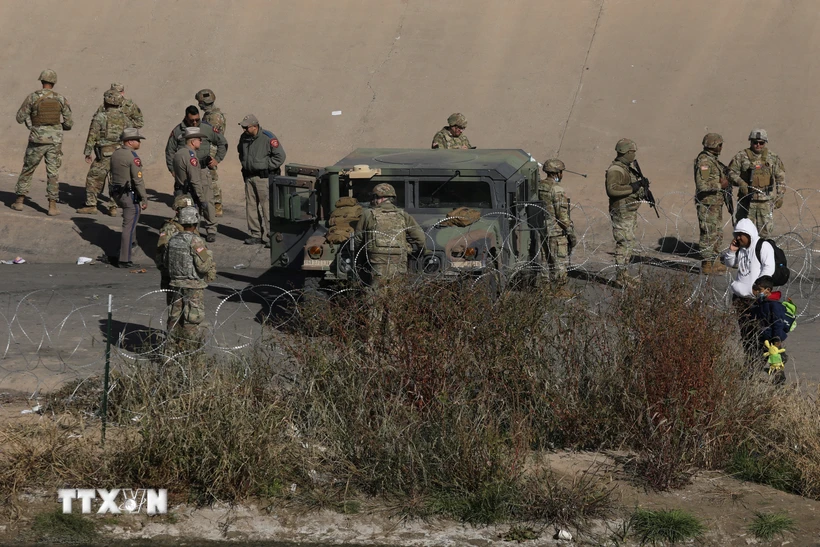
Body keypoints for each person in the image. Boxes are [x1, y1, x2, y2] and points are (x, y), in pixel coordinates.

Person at [11, 69, 73, 216]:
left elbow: (20, 117)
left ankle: (19, 201)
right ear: (54, 82)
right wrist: (58, 128)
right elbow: (69, 123)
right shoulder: (61, 98)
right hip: (55, 141)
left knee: (28, 169)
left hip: (37, 139)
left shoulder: (32, 97)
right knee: (53, 173)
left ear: (41, 81)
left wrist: (31, 125)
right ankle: (52, 206)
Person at [354, 183, 426, 287]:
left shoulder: (368, 214)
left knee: (377, 292)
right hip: (399, 259)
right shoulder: (403, 215)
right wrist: (421, 252)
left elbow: (358, 239)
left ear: (378, 198)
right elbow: (421, 238)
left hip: (377, 260)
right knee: (397, 292)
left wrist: (360, 257)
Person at [165, 206, 216, 349]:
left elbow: (165, 262)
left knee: (174, 318)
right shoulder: (196, 241)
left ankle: (172, 349)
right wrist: (209, 256)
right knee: (192, 320)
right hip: (193, 287)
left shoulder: (172, 240)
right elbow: (203, 266)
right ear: (195, 222)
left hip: (176, 284)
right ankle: (190, 350)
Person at [694, 133, 743, 274]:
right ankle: (707, 264)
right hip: (707, 204)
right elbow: (702, 185)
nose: (721, 147)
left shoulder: (712, 160)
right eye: (720, 145)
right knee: (708, 233)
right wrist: (720, 184)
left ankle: (714, 261)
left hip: (715, 203)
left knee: (716, 233)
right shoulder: (705, 162)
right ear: (714, 145)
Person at [77, 89, 131, 216]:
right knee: (116, 180)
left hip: (104, 154)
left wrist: (87, 151)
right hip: (120, 154)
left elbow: (92, 134)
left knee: (93, 178)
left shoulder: (101, 116)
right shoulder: (125, 118)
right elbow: (129, 137)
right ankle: (113, 207)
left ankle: (91, 205)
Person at [237, 114, 286, 247]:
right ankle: (255, 234)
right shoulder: (244, 138)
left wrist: (265, 166)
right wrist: (246, 164)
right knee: (251, 206)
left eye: (246, 127)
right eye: (243, 127)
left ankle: (271, 236)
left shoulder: (267, 137)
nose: (244, 130)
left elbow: (280, 157)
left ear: (255, 126)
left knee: (267, 207)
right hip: (249, 177)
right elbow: (240, 152)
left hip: (263, 178)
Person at [728, 129, 786, 238]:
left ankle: (762, 252)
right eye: (755, 142)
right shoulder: (741, 156)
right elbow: (731, 172)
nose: (758, 145)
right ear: (751, 142)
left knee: (765, 232)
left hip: (765, 201)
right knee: (744, 231)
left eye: (761, 143)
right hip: (746, 200)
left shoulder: (773, 157)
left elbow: (780, 177)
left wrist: (780, 195)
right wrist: (741, 183)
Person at [165, 105, 228, 199]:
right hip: (184, 172)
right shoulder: (178, 131)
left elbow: (223, 143)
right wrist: (172, 169)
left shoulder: (207, 128)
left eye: (197, 120)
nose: (194, 123)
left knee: (206, 200)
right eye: (191, 120)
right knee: (184, 200)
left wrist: (217, 159)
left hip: (202, 169)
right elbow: (170, 150)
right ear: (186, 118)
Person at [605, 138, 644, 287]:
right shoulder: (616, 170)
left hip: (629, 210)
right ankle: (620, 277)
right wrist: (633, 188)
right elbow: (612, 189)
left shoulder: (627, 168)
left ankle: (624, 274)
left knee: (628, 242)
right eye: (632, 152)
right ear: (626, 152)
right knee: (623, 243)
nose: (634, 155)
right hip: (621, 211)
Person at [109, 128, 148, 268]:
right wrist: (144, 198)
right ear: (130, 141)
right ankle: (124, 258)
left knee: (129, 223)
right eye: (137, 140)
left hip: (117, 193)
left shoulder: (116, 154)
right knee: (129, 226)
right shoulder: (132, 157)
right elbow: (138, 180)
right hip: (129, 194)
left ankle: (131, 243)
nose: (139, 142)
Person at [538, 158, 577, 295]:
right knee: (559, 260)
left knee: (545, 258)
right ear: (557, 173)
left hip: (541, 228)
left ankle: (545, 287)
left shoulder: (540, 186)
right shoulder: (557, 189)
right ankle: (560, 288)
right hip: (555, 230)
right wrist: (570, 232)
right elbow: (561, 215)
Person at [173, 126, 217, 242]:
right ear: (193, 141)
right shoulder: (191, 157)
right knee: (193, 226)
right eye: (199, 139)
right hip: (190, 194)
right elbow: (195, 181)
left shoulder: (179, 153)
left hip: (180, 191)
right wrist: (202, 200)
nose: (201, 142)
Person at [721, 218, 776, 300]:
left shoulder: (763, 246)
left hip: (754, 298)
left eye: (740, 235)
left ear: (749, 234)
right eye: (736, 235)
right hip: (738, 296)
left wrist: (759, 288)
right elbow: (729, 263)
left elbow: (769, 268)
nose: (738, 238)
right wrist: (732, 251)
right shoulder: (741, 248)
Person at [156, 194, 195, 305]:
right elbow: (161, 251)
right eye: (185, 210)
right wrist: (165, 273)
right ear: (177, 211)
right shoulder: (170, 228)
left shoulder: (191, 225)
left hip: (191, 276)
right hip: (175, 277)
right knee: (176, 310)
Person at [750, 275, 789, 383]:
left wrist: (776, 340)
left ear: (768, 290)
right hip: (764, 337)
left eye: (759, 290)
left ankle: (779, 382)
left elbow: (778, 323)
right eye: (755, 289)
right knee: (759, 359)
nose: (757, 292)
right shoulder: (761, 303)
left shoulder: (774, 305)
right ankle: (751, 377)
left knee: (775, 361)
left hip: (773, 338)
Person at [196, 89, 226, 217]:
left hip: (211, 150)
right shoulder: (209, 115)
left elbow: (212, 136)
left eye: (200, 102)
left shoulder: (215, 117)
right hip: (207, 148)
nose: (199, 104)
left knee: (211, 178)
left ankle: (217, 205)